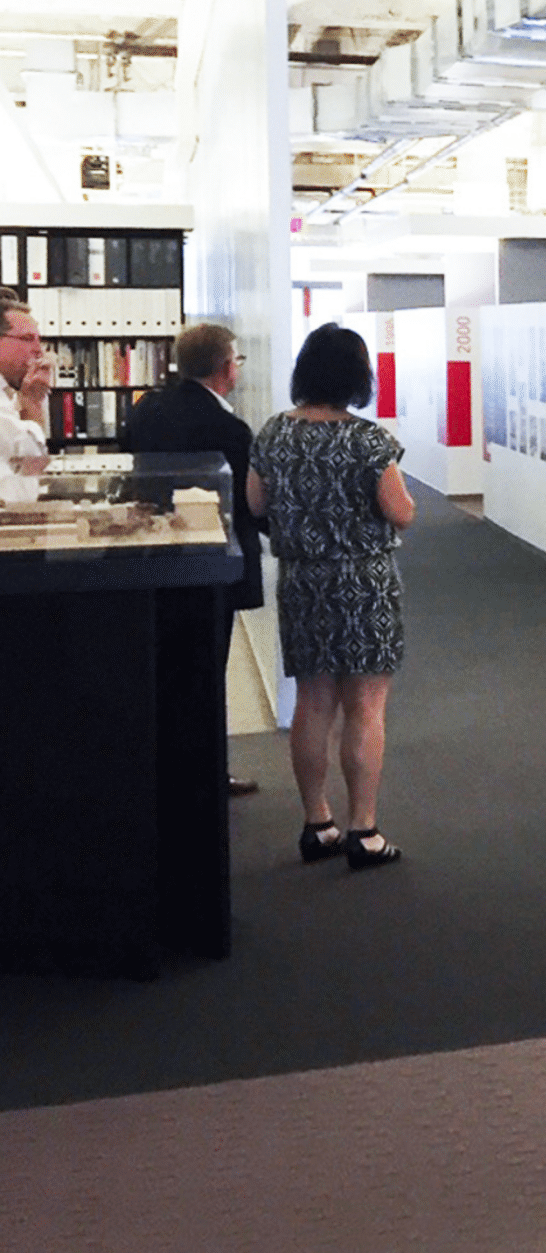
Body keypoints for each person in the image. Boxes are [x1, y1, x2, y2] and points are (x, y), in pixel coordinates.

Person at [247, 324, 417, 870]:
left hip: (302, 581)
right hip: (363, 584)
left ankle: (317, 822)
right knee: (365, 706)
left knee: (312, 702)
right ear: (356, 376)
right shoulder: (369, 440)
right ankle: (363, 830)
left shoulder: (273, 433)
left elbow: (254, 505)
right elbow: (402, 511)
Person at [125, 322, 267, 796]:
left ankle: (161, 766)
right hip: (211, 566)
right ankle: (205, 773)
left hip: (152, 557)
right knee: (206, 671)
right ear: (227, 369)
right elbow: (247, 504)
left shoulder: (146, 409)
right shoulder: (228, 427)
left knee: (164, 664)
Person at [0, 297, 52, 503]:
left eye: (39, 339)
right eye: (27, 339)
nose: (38, 350)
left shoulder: (8, 393)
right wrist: (32, 403)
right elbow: (29, 465)